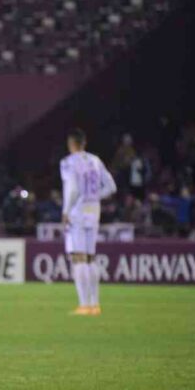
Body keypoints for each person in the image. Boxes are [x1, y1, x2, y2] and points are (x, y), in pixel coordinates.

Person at [61, 128, 116, 316]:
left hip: (77, 211)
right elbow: (111, 187)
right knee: (91, 257)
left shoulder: (68, 163)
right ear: (84, 143)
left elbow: (72, 188)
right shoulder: (95, 160)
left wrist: (66, 211)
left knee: (79, 258)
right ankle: (95, 304)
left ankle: (84, 305)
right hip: (94, 211)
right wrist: (94, 197)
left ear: (71, 144)